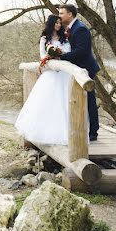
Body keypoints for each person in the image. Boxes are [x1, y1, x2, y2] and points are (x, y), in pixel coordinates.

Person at [14, 14, 73, 145]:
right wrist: (51, 54)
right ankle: (45, 132)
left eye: (59, 23)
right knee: (47, 100)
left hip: (63, 73)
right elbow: (42, 56)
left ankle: (66, 132)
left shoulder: (65, 38)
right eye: (56, 23)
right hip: (50, 73)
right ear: (51, 24)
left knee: (64, 101)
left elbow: (68, 52)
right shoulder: (44, 38)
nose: (58, 25)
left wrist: (60, 54)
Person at [57, 4, 101, 141]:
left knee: (89, 100)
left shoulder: (80, 28)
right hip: (78, 69)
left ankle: (93, 132)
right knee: (81, 99)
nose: (60, 16)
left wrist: (61, 57)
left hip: (85, 69)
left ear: (70, 14)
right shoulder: (71, 28)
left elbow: (81, 52)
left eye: (62, 13)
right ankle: (83, 127)